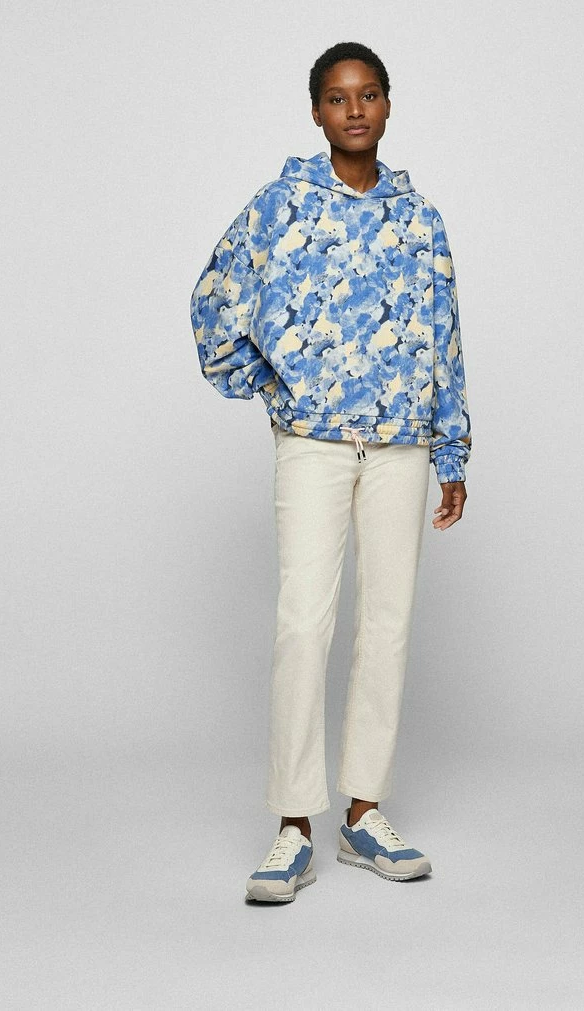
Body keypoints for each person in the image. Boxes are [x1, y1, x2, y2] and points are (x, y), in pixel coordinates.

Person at [190, 41, 472, 903]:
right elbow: (214, 298)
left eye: (369, 94)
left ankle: (363, 813)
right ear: (315, 111)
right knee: (303, 624)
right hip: (312, 442)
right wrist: (268, 381)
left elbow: (445, 336)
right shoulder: (280, 207)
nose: (355, 109)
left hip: (401, 445)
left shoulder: (421, 221)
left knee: (387, 624)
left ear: (388, 105)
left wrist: (452, 449)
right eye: (339, 97)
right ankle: (292, 826)